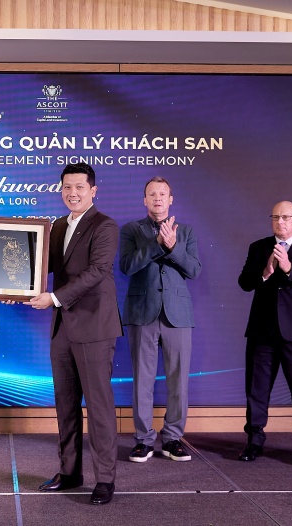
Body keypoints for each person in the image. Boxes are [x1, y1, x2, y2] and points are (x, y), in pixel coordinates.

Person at [28, 162, 122, 505]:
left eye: (79, 187)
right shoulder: (56, 226)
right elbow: (42, 266)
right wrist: (15, 283)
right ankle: (70, 472)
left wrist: (53, 298)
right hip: (63, 328)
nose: (72, 193)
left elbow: (97, 271)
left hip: (94, 326)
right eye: (67, 187)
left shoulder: (105, 225)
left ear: (93, 190)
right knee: (65, 403)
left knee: (98, 406)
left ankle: (105, 479)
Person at [119, 177, 201, 463]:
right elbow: (127, 266)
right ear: (145, 200)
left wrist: (174, 246)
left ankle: (173, 438)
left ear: (170, 199)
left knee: (178, 381)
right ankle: (143, 440)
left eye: (162, 194)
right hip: (142, 312)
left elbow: (194, 270)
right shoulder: (131, 230)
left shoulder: (186, 232)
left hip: (178, 315)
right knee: (142, 380)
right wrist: (157, 244)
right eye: (152, 194)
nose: (157, 198)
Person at [237, 201, 292, 466]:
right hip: (262, 331)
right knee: (256, 390)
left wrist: (289, 268)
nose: (280, 222)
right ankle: (254, 441)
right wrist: (265, 273)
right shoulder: (259, 247)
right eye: (275, 217)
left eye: (286, 217)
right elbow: (244, 283)